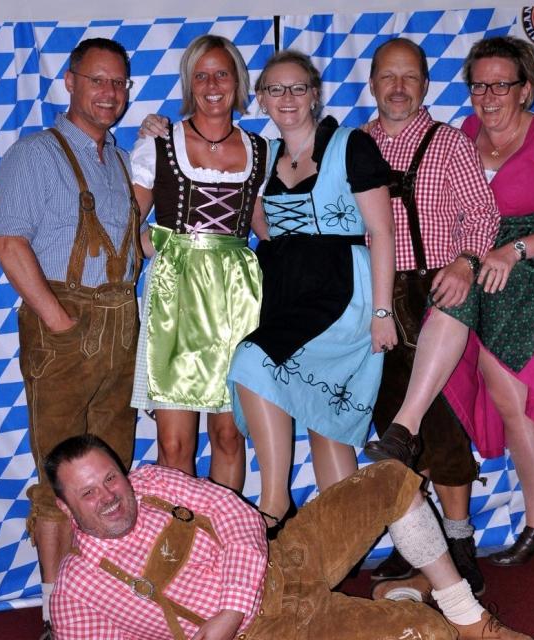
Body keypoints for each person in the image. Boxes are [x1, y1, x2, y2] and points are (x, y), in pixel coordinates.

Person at [366, 35, 534, 567]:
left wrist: (512, 250)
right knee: (489, 393)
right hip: (481, 271)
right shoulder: (464, 134)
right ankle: (533, 520)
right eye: (479, 86)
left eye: (501, 85)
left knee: (515, 399)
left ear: (525, 89)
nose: (488, 97)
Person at [46, 434, 533, 639]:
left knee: (388, 479)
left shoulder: (152, 482)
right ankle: (406, 601)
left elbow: (238, 518)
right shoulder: (77, 590)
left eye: (111, 478)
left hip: (284, 560)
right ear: (66, 509)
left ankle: (466, 614)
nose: (109, 496)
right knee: (425, 635)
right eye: (88, 493)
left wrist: (229, 610)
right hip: (268, 634)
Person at [0, 38, 141, 638]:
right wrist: (58, 321)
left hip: (120, 323)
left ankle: (101, 598)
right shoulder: (34, 153)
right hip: (66, 329)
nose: (109, 93)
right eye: (97, 81)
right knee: (59, 474)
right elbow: (8, 243)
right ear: (71, 82)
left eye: (119, 84)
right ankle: (59, 614)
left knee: (111, 468)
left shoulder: (120, 159)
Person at [225, 49, 397, 533]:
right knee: (327, 423)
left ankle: (274, 502)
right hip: (284, 289)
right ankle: (344, 546)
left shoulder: (350, 145)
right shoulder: (262, 156)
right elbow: (265, 230)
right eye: (275, 89)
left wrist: (382, 312)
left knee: (252, 361)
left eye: (297, 88)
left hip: (340, 291)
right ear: (261, 99)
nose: (287, 98)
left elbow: (381, 232)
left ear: (314, 95)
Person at [362, 38, 499, 595]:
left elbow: (483, 215)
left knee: (438, 421)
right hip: (373, 294)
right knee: (387, 419)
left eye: (409, 77)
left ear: (424, 84)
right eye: (388, 76)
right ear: (372, 83)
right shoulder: (356, 143)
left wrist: (465, 263)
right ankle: (417, 536)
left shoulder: (448, 142)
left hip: (434, 289)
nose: (398, 87)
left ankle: (459, 540)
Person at [130, 34, 267, 490]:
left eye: (221, 74)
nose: (212, 85)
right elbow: (125, 225)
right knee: (174, 445)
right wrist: (159, 244)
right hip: (176, 299)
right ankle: (182, 533)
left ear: (237, 82)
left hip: (237, 299)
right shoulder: (159, 143)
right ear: (189, 83)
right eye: (201, 75)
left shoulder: (260, 150)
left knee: (229, 435)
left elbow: (266, 228)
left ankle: (224, 531)